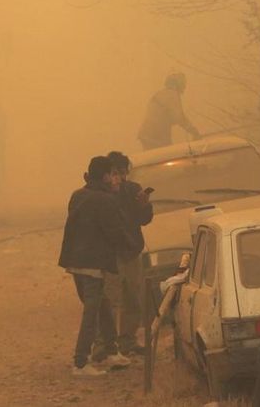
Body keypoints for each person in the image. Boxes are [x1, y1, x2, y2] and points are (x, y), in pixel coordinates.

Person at [58, 156, 135, 377]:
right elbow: (115, 232)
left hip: (76, 262)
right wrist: (133, 247)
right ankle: (81, 362)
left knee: (102, 305)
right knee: (91, 313)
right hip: (93, 265)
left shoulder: (78, 196)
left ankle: (111, 351)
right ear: (104, 177)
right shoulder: (105, 201)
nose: (117, 179)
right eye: (113, 174)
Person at [104, 151, 153, 356]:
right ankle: (107, 344)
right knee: (110, 301)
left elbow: (144, 219)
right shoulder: (101, 194)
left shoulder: (133, 190)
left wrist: (144, 204)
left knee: (133, 298)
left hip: (132, 252)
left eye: (124, 172)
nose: (120, 177)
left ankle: (127, 340)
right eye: (116, 173)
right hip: (110, 255)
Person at [137, 72, 201, 150]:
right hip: (156, 136)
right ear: (178, 84)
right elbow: (179, 117)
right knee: (166, 156)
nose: (184, 87)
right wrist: (194, 131)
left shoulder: (162, 94)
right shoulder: (171, 95)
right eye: (183, 83)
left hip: (151, 135)